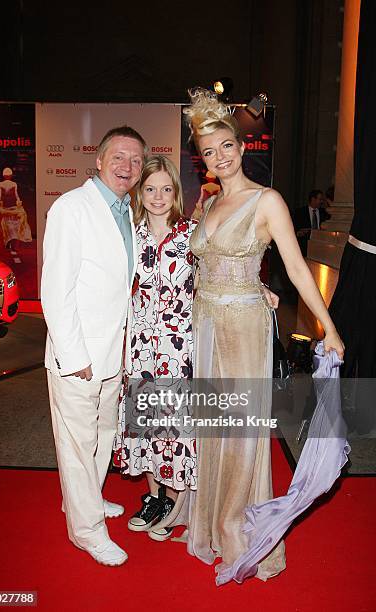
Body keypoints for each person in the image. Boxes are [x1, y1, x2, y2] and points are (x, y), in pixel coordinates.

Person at [183, 88, 344, 582]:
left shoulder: (266, 200)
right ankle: (213, 518)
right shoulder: (207, 203)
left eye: (226, 146)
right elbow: (199, 266)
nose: (220, 157)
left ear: (242, 146)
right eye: (209, 151)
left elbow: (296, 270)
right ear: (203, 159)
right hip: (206, 324)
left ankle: (235, 525)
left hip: (242, 329)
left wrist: (330, 329)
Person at [41, 126, 146, 567]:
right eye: (119, 157)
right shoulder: (72, 208)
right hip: (79, 357)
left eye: (136, 160)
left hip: (113, 355)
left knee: (102, 435)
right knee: (77, 442)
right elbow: (55, 289)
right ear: (99, 161)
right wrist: (74, 355)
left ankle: (83, 500)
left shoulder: (128, 213)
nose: (127, 167)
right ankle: (87, 531)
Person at [116, 154, 198, 541]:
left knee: (175, 425)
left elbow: (220, 276)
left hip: (180, 350)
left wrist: (260, 288)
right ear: (140, 191)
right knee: (146, 423)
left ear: (176, 193)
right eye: (150, 189)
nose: (158, 196)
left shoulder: (193, 235)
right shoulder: (131, 234)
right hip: (142, 348)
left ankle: (174, 503)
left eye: (166, 189)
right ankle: (153, 497)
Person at [0, 167, 32, 252]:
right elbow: (16, 195)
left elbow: (0, 196)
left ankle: (9, 242)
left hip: (7, 207)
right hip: (9, 207)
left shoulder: (1, 184)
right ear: (10, 175)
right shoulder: (13, 184)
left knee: (7, 225)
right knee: (12, 225)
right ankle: (9, 242)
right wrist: (19, 202)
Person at [293, 189, 331, 256]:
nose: (322, 202)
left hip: (320, 246)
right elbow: (294, 227)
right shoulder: (300, 212)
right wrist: (298, 233)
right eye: (320, 199)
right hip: (304, 247)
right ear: (313, 199)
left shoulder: (324, 213)